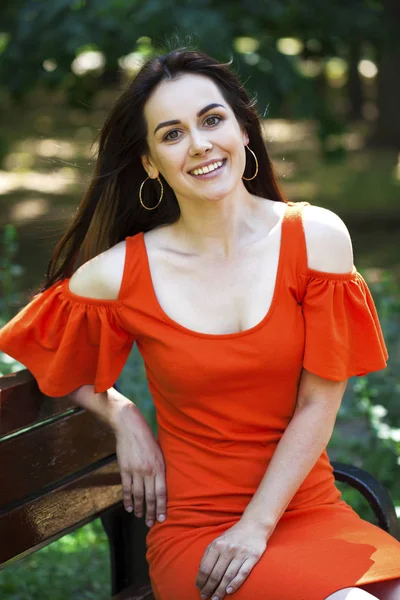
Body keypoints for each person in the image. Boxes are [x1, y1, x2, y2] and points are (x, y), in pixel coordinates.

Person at [0, 48, 399, 600]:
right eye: (171, 134)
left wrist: (257, 528)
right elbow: (36, 347)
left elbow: (318, 405)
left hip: (305, 512)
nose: (200, 144)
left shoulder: (316, 239)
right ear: (148, 161)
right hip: (202, 536)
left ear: (243, 128)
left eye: (212, 120)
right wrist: (121, 412)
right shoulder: (123, 273)